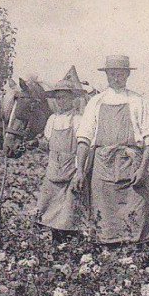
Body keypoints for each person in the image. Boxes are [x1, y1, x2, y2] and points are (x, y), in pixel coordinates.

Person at [73, 55, 149, 245]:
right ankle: (108, 255)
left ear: (127, 75)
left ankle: (138, 255)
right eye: (112, 74)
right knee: (104, 214)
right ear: (106, 75)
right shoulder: (96, 102)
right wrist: (79, 170)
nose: (116, 78)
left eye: (120, 74)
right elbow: (84, 139)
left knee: (137, 209)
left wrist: (142, 169)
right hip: (102, 165)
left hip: (131, 165)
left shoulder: (137, 100)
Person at [35, 73, 86, 244]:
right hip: (53, 171)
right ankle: (57, 247)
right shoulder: (52, 120)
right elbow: (48, 144)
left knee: (69, 214)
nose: (61, 101)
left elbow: (82, 147)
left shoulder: (78, 120)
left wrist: (80, 170)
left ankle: (71, 248)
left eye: (64, 97)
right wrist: (37, 144)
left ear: (72, 99)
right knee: (51, 213)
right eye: (58, 98)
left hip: (70, 171)